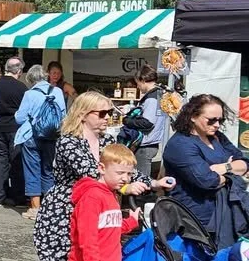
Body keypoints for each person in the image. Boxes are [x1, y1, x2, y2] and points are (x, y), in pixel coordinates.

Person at [32, 92, 172, 261]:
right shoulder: (68, 141)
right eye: (102, 113)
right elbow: (89, 171)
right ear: (83, 114)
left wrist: (154, 183)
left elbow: (122, 167)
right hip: (66, 208)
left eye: (110, 113)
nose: (107, 117)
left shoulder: (107, 141)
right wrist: (125, 187)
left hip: (99, 203)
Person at [163, 94, 247, 241]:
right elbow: (207, 181)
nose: (217, 125)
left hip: (230, 212)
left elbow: (245, 163)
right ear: (193, 117)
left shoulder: (217, 137)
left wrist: (224, 167)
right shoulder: (180, 144)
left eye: (220, 120)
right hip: (197, 220)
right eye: (211, 120)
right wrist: (233, 173)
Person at [68, 144, 143, 261]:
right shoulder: (92, 197)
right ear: (102, 168)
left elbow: (111, 229)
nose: (125, 179)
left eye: (129, 174)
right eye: (120, 173)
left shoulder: (111, 194)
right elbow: (87, 239)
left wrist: (131, 221)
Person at [14, 65, 66, 220]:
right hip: (51, 136)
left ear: (30, 79)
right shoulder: (57, 91)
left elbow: (19, 118)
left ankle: (35, 208)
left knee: (32, 170)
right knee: (48, 170)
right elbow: (63, 114)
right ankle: (49, 207)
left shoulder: (29, 94)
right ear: (45, 76)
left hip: (32, 136)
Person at [0, 57, 27, 206]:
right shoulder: (22, 88)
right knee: (16, 162)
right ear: (19, 71)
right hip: (15, 128)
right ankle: (17, 196)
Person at [121, 65, 167, 177]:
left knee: (141, 178)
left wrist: (127, 120)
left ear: (143, 80)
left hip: (145, 144)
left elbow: (147, 123)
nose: (138, 86)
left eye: (138, 83)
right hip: (152, 142)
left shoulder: (151, 98)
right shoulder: (160, 94)